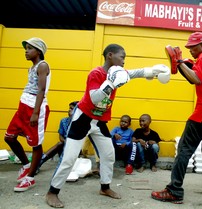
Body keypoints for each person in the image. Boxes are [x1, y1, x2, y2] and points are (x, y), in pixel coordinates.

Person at [45, 43, 170, 208]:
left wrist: (153, 71)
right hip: (82, 118)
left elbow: (135, 73)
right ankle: (52, 192)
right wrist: (111, 84)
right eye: (122, 57)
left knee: (108, 155)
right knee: (69, 158)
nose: (124, 61)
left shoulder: (119, 73)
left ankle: (105, 187)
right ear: (110, 55)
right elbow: (95, 98)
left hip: (99, 121)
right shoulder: (96, 74)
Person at [151, 32, 202, 204]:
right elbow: (198, 75)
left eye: (192, 47)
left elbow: (195, 78)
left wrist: (180, 63)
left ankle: (174, 190)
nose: (190, 50)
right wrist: (185, 64)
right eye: (188, 47)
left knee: (184, 149)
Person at [4, 37, 50, 192]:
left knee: (35, 143)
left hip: (34, 107)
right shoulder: (32, 67)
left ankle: (30, 178)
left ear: (39, 51)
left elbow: (41, 90)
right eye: (26, 48)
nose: (26, 51)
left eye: (30, 48)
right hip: (23, 105)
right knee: (9, 137)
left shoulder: (43, 65)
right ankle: (26, 164)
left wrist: (35, 113)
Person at [36, 101, 78, 173]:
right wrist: (67, 143)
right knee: (59, 144)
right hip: (65, 146)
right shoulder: (64, 121)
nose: (69, 110)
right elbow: (61, 137)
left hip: (76, 149)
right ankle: (38, 163)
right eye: (69, 108)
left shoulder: (81, 123)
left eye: (72, 109)